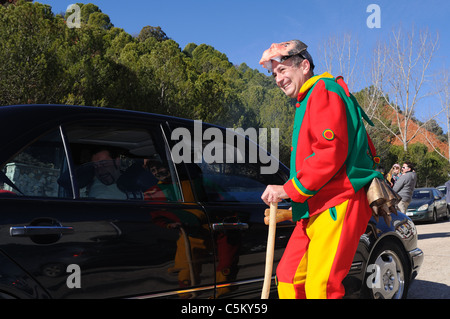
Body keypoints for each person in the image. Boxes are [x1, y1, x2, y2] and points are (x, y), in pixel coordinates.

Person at [259, 40, 382, 299]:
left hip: (340, 200)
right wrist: (292, 207)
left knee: (321, 288)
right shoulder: (307, 100)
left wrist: (286, 189)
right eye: (274, 75)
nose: (278, 79)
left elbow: (329, 154)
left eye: (282, 70)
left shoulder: (323, 91)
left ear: (304, 65)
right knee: (290, 278)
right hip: (315, 207)